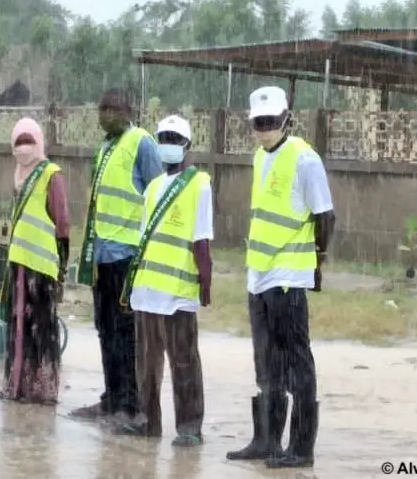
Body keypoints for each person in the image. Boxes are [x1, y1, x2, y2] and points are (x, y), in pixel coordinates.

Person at [226, 86, 335, 468]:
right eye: (259, 123)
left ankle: (301, 447)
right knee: (266, 362)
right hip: (259, 274)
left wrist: (316, 261)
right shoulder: (260, 158)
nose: (265, 129)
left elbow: (325, 216)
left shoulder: (305, 159)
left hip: (288, 276)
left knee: (296, 362)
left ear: (287, 119)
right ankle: (267, 439)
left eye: (271, 122)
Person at [114, 115, 211, 446]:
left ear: (187, 146)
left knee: (184, 361)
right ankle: (147, 420)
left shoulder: (199, 184)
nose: (167, 143)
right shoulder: (153, 187)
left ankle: (189, 426)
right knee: (146, 363)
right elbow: (143, 241)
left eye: (174, 137)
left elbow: (202, 241)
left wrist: (206, 285)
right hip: (147, 291)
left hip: (179, 291)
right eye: (163, 137)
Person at [70, 88, 162, 424]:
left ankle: (130, 404)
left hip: (127, 254)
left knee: (126, 330)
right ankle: (110, 398)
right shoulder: (105, 148)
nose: (105, 114)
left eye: (112, 108)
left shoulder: (142, 142)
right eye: (101, 108)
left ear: (128, 110)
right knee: (104, 327)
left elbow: (156, 194)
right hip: (102, 254)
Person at [0, 117, 70, 404]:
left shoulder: (52, 174)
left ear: (39, 143)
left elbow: (62, 223)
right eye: (18, 142)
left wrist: (62, 267)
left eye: (29, 142)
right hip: (19, 266)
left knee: (42, 329)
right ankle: (17, 386)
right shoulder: (18, 176)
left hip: (42, 268)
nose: (23, 148)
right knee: (18, 328)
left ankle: (42, 390)